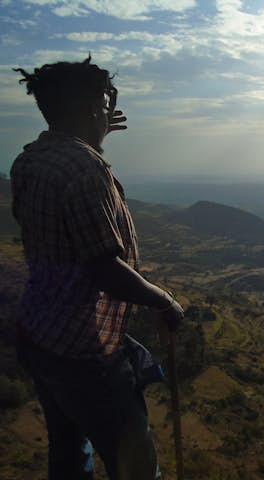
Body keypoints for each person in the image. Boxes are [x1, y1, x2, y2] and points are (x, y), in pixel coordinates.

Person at [10, 56, 184, 480]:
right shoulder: (87, 170)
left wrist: (95, 131)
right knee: (136, 466)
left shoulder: (30, 159)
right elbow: (103, 267)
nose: (111, 109)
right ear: (91, 107)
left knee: (67, 453)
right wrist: (164, 301)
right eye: (108, 101)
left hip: (40, 334)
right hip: (83, 352)